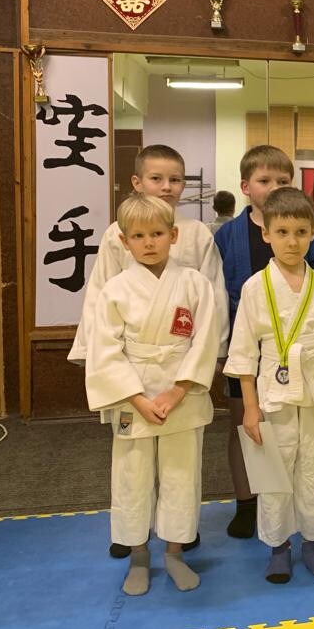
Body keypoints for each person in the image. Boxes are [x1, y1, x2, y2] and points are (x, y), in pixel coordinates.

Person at [69, 143, 228, 559]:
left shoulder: (196, 233)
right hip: (132, 369)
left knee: (182, 467)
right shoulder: (115, 236)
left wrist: (206, 362)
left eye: (176, 179)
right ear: (138, 182)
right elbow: (99, 293)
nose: (167, 186)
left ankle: (180, 534)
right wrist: (100, 363)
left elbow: (212, 299)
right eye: (157, 178)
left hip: (181, 367)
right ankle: (131, 536)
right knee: (132, 466)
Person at [84, 193, 219, 596]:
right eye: (139, 236)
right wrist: (138, 399)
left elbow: (206, 340)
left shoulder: (194, 283)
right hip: (133, 395)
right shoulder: (115, 289)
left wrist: (178, 390)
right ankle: (138, 555)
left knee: (182, 475)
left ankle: (175, 554)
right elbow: (105, 350)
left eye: (157, 234)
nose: (148, 243)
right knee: (132, 476)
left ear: (173, 235)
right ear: (124, 241)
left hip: (183, 392)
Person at [224, 188, 314, 584]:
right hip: (272, 395)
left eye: (300, 232)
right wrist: (250, 408)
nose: (292, 242)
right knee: (274, 475)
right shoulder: (254, 287)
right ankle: (279, 548)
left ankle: (312, 544)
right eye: (282, 232)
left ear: (312, 233)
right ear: (266, 234)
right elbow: (243, 353)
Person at [214, 145, 314, 540]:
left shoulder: (306, 235)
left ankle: (301, 520)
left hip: (300, 353)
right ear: (246, 186)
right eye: (265, 180)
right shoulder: (228, 235)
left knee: (300, 442)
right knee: (246, 427)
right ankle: (247, 503)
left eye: (283, 180)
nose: (274, 186)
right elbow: (217, 292)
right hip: (248, 346)